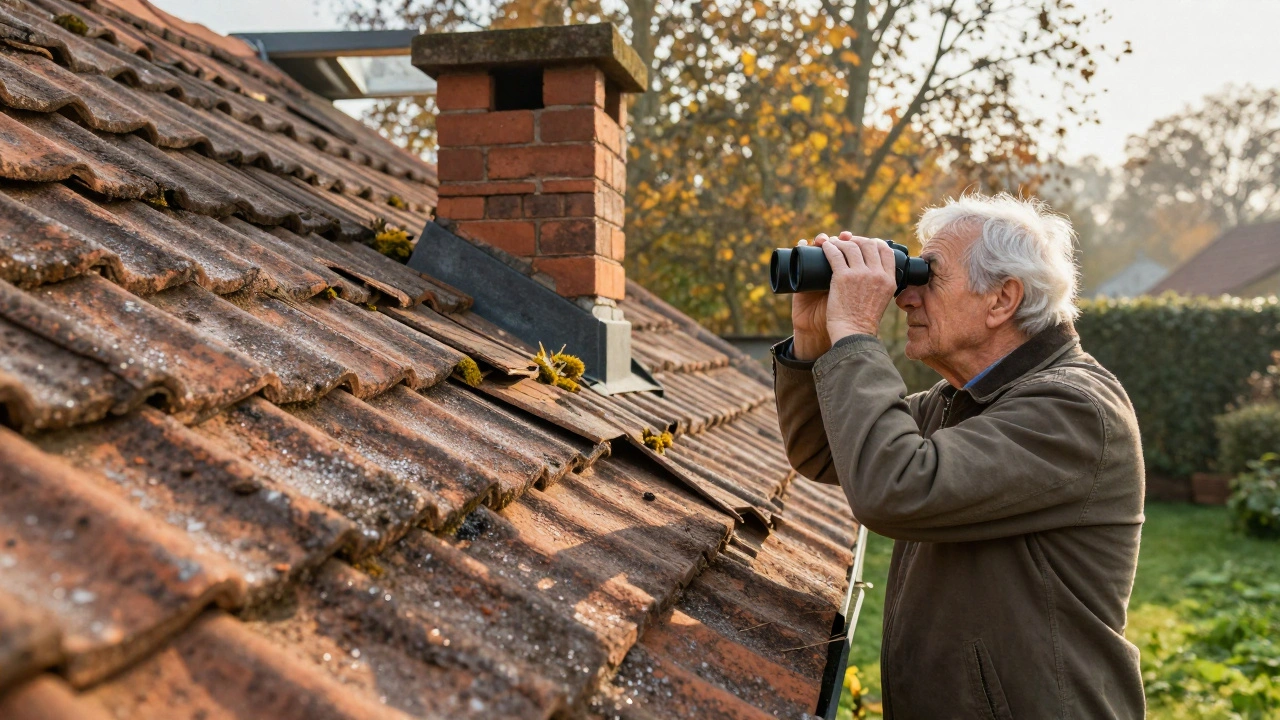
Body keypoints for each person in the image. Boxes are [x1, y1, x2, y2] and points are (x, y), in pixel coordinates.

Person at [773, 193, 1145, 719]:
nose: (905, 299)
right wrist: (816, 338)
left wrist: (856, 333)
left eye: (927, 277)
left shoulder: (1074, 408)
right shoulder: (963, 402)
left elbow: (895, 489)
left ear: (1001, 299)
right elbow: (823, 452)